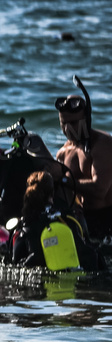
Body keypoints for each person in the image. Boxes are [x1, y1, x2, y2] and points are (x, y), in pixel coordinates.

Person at [1, 171, 101, 271]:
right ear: (52, 193)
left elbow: (15, 262)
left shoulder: (25, 227)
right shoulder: (68, 220)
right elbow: (90, 254)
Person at [55, 86, 112, 241]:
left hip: (106, 220)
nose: (67, 129)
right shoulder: (62, 153)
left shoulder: (103, 144)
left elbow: (100, 189)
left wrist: (64, 181)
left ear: (86, 119)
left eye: (73, 123)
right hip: (80, 221)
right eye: (63, 123)